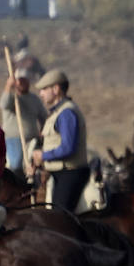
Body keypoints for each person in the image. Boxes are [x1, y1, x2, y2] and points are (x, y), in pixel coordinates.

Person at [29, 69, 89, 210]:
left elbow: (68, 147)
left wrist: (43, 156)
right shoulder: (57, 113)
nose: (41, 94)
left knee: (59, 216)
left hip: (70, 173)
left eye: (44, 89)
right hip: (59, 173)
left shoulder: (66, 113)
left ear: (56, 89)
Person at [0, 69, 47, 174]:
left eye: (24, 80)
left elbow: (43, 117)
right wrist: (8, 86)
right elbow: (4, 104)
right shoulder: (11, 97)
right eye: (19, 80)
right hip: (14, 139)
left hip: (33, 140)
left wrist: (43, 131)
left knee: (35, 167)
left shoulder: (34, 99)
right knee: (16, 166)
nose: (21, 83)